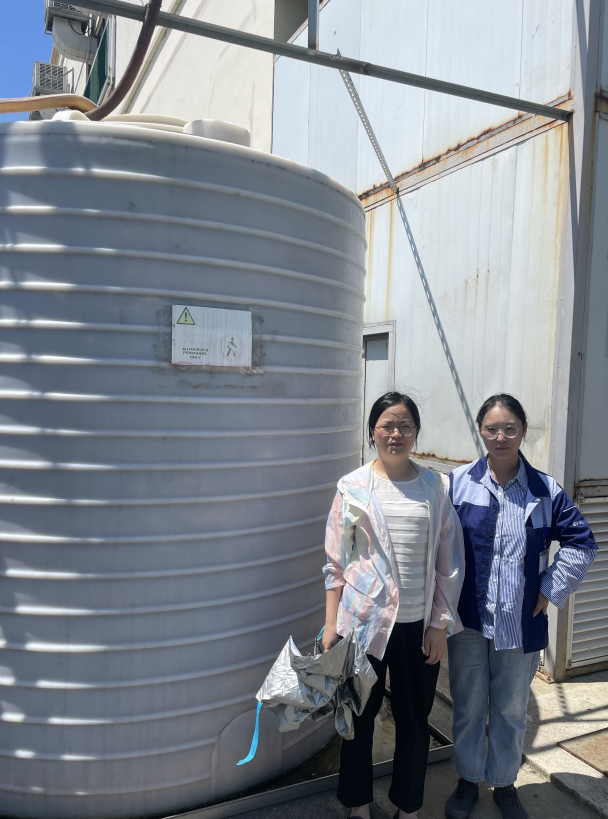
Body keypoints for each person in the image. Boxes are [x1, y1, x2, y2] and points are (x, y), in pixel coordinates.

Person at [445, 394, 597, 819]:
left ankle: (505, 783)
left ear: (523, 432)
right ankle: (468, 778)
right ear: (481, 431)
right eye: (492, 429)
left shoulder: (545, 490)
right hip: (468, 620)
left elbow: (582, 544)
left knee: (511, 710)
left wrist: (549, 589)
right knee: (468, 704)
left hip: (520, 623)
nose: (501, 437)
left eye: (510, 428)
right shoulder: (457, 483)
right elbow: (438, 545)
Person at [322, 391, 465, 819]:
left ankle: (408, 807)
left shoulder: (434, 487)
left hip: (417, 627)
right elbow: (335, 564)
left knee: (414, 720)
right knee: (358, 717)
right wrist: (331, 625)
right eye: (387, 425)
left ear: (416, 432)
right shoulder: (352, 486)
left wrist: (439, 624)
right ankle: (358, 805)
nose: (396, 433)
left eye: (405, 425)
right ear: (373, 432)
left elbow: (449, 563)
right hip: (362, 627)